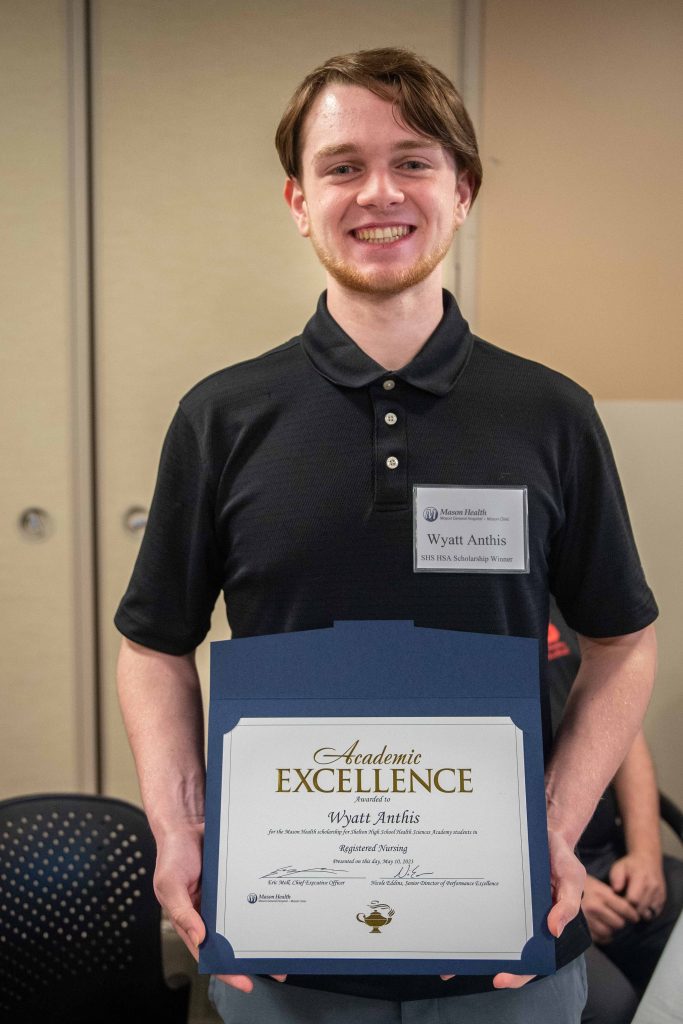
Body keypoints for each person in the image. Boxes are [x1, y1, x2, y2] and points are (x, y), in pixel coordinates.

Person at [115, 48, 658, 1024]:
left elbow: (621, 643)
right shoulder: (221, 417)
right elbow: (153, 643)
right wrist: (180, 824)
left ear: (462, 190)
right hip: (283, 954)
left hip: (510, 953)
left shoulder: (549, 414)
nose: (378, 192)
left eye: (412, 160)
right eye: (341, 165)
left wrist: (553, 826)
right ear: (296, 197)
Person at [548, 602, 683, 1024]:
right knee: (615, 1010)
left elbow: (625, 735)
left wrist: (645, 852)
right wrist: (564, 885)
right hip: (541, 885)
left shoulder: (568, 605)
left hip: (614, 859)